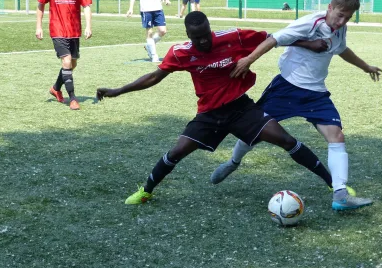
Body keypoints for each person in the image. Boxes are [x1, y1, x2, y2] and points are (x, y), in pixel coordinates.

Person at [97, 11, 346, 208]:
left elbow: (274, 38)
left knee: (286, 139)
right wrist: (118, 90)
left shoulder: (232, 37)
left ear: (210, 29)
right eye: (198, 38)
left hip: (241, 108)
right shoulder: (181, 52)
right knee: (177, 151)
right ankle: (145, 191)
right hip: (209, 115)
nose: (204, 41)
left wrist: (308, 44)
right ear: (188, 34)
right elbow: (154, 77)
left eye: (207, 34)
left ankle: (332, 184)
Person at [212, 0, 382, 211]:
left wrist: (365, 66)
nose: (342, 21)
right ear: (330, 7)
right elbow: (275, 39)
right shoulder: (310, 23)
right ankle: (233, 162)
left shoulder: (340, 29)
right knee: (254, 130)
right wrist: (249, 60)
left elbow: (341, 50)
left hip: (316, 94)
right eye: (340, 15)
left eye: (348, 17)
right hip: (287, 88)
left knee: (336, 136)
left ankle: (340, 193)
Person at [36, 0, 92, 111]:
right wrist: (38, 27)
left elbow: (87, 6)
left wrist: (88, 26)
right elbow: (40, 5)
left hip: (74, 32)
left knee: (72, 64)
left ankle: (55, 88)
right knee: (66, 61)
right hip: (57, 30)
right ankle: (72, 98)